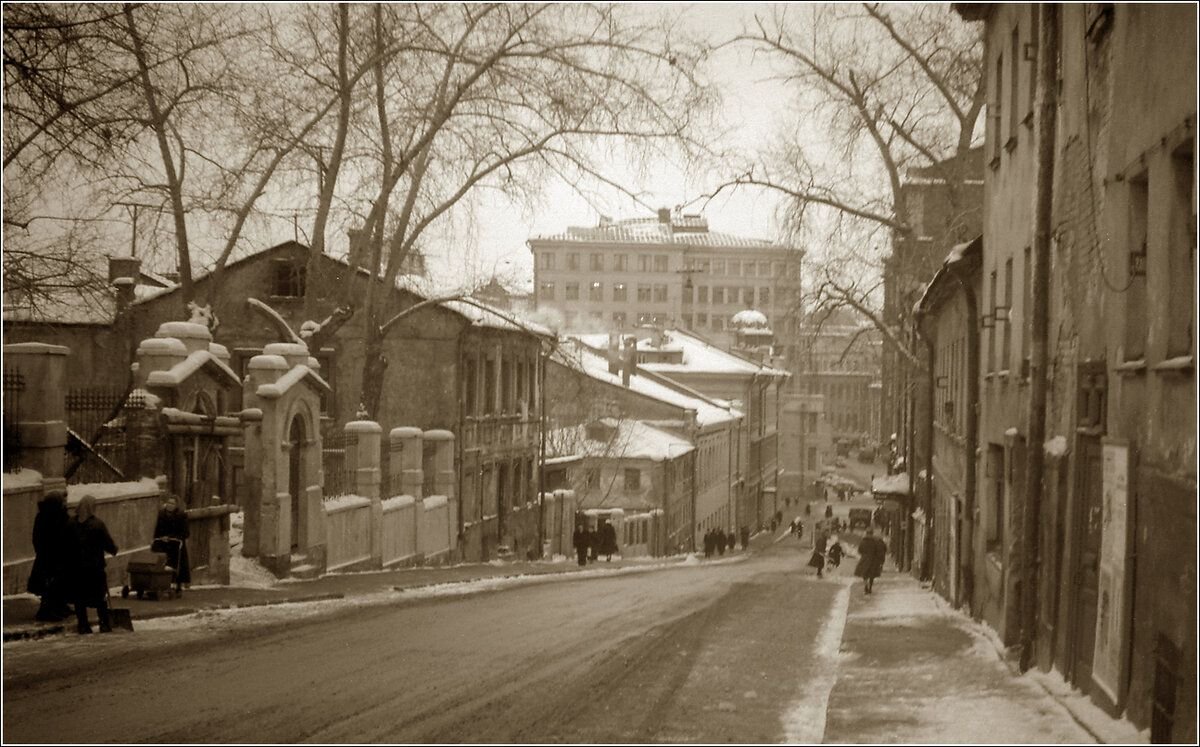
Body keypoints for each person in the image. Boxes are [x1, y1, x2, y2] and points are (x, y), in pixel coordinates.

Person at [70, 495, 118, 634]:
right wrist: (114, 549)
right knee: (99, 596)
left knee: (79, 597)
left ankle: (83, 625)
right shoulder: (97, 524)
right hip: (94, 567)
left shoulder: (71, 524)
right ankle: (104, 623)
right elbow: (107, 543)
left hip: (76, 568)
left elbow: (65, 544)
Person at [29, 489, 73, 622]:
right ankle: (46, 611)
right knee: (50, 584)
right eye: (62, 502)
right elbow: (39, 537)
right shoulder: (47, 517)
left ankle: (59, 606)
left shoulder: (59, 515)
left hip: (57, 555)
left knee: (59, 583)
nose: (64, 504)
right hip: (50, 556)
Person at [153, 493, 190, 594]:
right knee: (160, 559)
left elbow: (185, 532)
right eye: (168, 503)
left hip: (175, 543)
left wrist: (172, 537)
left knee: (176, 562)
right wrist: (161, 537)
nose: (170, 505)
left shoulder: (181, 516)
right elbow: (157, 530)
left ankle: (178, 584)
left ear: (176, 505)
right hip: (163, 543)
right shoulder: (161, 515)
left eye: (172, 503)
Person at [855, 528, 888, 594]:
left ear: (866, 533)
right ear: (872, 533)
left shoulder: (863, 541)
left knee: (864, 574)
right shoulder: (875, 541)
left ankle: (865, 585)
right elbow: (878, 550)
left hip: (864, 559)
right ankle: (870, 587)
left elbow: (859, 550)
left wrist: (864, 554)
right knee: (871, 575)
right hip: (873, 560)